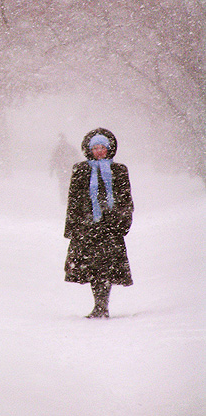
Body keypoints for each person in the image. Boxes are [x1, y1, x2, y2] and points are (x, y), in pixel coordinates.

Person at [64, 127, 134, 318]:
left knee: (107, 267)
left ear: (109, 149)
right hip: (88, 228)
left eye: (103, 147)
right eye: (95, 148)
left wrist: (123, 222)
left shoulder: (119, 170)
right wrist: (72, 226)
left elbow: (126, 198)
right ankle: (99, 306)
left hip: (111, 228)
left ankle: (102, 306)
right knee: (94, 267)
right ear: (89, 150)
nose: (99, 151)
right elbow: (74, 200)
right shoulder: (81, 170)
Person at [50, 133, 80, 203]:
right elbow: (54, 160)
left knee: (65, 183)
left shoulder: (59, 149)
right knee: (65, 183)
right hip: (64, 169)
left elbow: (53, 160)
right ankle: (65, 197)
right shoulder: (66, 148)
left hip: (65, 169)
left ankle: (65, 197)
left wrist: (52, 169)